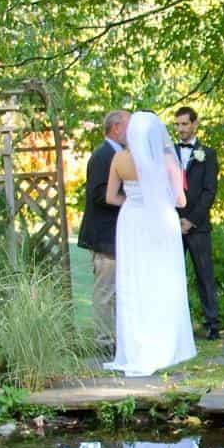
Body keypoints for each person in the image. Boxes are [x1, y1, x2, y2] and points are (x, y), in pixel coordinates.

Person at [103, 111, 198, 376]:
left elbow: (111, 196)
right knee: (162, 280)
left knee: (135, 282)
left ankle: (136, 348)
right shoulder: (167, 158)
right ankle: (164, 345)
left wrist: (135, 202)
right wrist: (158, 201)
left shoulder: (119, 159)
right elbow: (181, 201)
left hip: (131, 221)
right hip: (160, 222)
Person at [76, 109, 130, 351]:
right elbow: (99, 194)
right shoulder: (103, 156)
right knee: (105, 290)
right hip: (104, 236)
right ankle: (103, 340)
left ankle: (116, 336)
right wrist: (131, 201)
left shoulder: (119, 154)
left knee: (118, 290)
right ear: (116, 128)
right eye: (128, 125)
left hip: (117, 235)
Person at [174, 107, 221, 340]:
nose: (181, 129)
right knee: (172, 275)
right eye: (177, 125)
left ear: (194, 124)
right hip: (171, 224)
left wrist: (191, 220)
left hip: (198, 225)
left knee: (204, 275)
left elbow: (209, 191)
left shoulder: (207, 154)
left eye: (184, 124)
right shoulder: (168, 153)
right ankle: (177, 326)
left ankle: (212, 323)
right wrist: (175, 219)